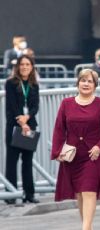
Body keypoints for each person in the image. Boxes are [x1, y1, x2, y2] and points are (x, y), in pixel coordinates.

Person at [51, 69, 100, 230]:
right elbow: (59, 129)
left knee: (88, 190)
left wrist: (99, 146)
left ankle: (85, 228)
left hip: (94, 155)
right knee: (80, 193)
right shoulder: (66, 103)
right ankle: (88, 226)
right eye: (83, 80)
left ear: (95, 85)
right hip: (73, 156)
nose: (86, 84)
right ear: (77, 83)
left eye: (90, 81)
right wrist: (57, 151)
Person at [4, 55, 40, 205]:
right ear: (18, 67)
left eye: (27, 64)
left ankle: (29, 194)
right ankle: (11, 194)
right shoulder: (10, 83)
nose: (24, 67)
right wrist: (21, 120)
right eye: (22, 64)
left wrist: (27, 117)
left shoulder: (34, 84)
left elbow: (35, 106)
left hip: (29, 125)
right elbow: (12, 105)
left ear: (31, 67)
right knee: (12, 161)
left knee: (27, 161)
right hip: (14, 126)